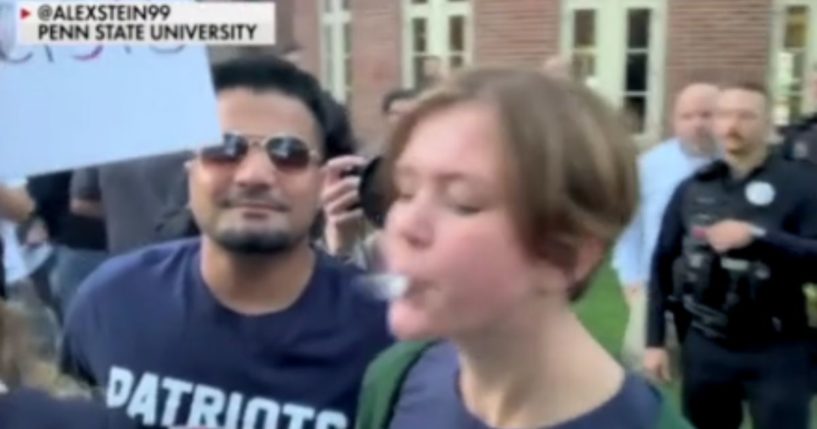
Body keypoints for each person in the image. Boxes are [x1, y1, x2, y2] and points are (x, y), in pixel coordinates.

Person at [43, 56, 393, 429]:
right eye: (225, 148)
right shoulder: (111, 299)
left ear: (323, 179)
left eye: (288, 154)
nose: (254, 176)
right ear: (191, 170)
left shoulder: (383, 332)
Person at [355, 68, 690, 429]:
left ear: (568, 255)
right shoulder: (396, 378)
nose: (403, 225)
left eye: (462, 202)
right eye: (405, 192)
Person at [644, 82, 817, 429]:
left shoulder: (802, 184)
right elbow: (662, 262)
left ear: (769, 122)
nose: (731, 126)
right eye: (723, 115)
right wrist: (655, 342)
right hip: (707, 345)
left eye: (745, 115)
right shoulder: (694, 188)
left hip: (780, 347)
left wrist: (760, 237)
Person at [613, 83, 719, 369]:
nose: (697, 124)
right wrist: (630, 276)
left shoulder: (738, 167)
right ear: (674, 121)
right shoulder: (648, 166)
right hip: (658, 289)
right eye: (688, 116)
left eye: (707, 114)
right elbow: (629, 226)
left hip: (723, 297)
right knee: (644, 380)